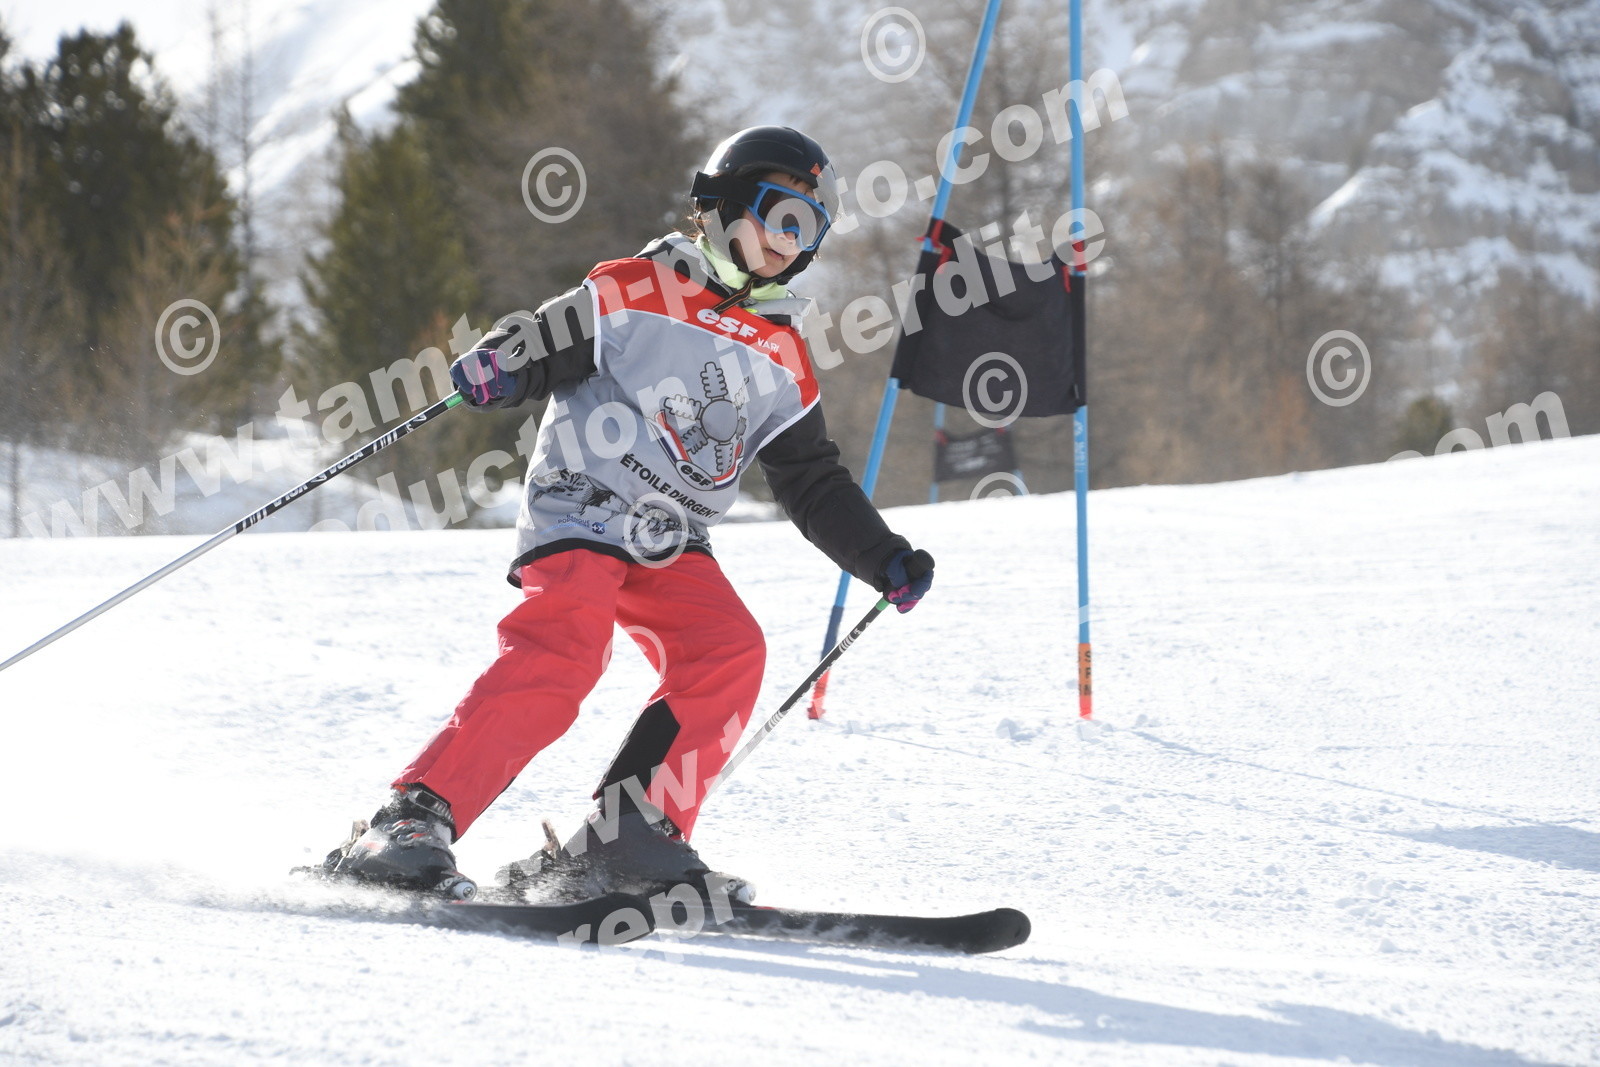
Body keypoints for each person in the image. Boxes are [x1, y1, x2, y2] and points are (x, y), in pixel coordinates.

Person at [322, 126, 935, 901]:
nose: (790, 240)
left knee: (729, 649)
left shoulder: (782, 353)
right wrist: (504, 362)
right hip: (583, 506)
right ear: (721, 206)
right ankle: (409, 820)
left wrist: (881, 555)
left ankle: (629, 837)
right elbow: (544, 340)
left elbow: (813, 481)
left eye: (807, 228)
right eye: (779, 214)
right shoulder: (637, 289)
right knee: (567, 650)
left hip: (670, 538)